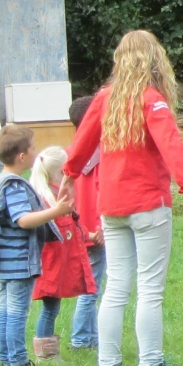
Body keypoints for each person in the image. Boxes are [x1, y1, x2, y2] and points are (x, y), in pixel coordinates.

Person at [63, 30, 183, 366]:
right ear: (154, 60)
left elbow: (82, 141)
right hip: (148, 203)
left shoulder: (104, 98)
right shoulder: (151, 99)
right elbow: (172, 145)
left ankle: (108, 365)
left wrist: (69, 175)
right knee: (150, 289)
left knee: (116, 286)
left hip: (111, 205)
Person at [0, 123, 74, 366]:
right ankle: (17, 361)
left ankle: (6, 358)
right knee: (16, 312)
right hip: (18, 262)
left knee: (5, 312)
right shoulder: (15, 186)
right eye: (33, 148)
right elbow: (23, 220)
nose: (36, 152)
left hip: (2, 262)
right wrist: (56, 211)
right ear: (21, 156)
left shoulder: (0, 181)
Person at [28, 146, 97, 362]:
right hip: (50, 266)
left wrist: (89, 235)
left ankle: (48, 351)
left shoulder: (52, 194)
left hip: (55, 264)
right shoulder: (49, 199)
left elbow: (72, 227)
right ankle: (46, 354)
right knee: (50, 309)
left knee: (52, 308)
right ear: (61, 171)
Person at [66, 93, 105, 350]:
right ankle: (81, 337)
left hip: (77, 229)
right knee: (91, 288)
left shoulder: (70, 154)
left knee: (89, 284)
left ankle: (89, 337)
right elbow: (104, 191)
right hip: (95, 230)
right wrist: (102, 226)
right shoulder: (102, 155)